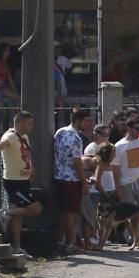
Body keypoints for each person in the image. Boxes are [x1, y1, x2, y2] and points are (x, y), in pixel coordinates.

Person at [0, 111, 43, 256]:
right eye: (29, 124)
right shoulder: (9, 136)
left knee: (18, 215)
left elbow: (27, 155)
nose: (31, 127)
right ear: (20, 123)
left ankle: (16, 247)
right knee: (36, 209)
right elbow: (3, 144)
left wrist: (31, 168)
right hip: (14, 182)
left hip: (23, 180)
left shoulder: (24, 136)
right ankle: (5, 213)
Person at [53, 108, 89, 255]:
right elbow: (77, 162)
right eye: (86, 121)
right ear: (78, 121)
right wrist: (84, 182)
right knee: (70, 213)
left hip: (59, 177)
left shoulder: (60, 132)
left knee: (63, 212)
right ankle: (69, 243)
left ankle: (60, 241)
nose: (89, 124)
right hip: (71, 179)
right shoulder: (75, 138)